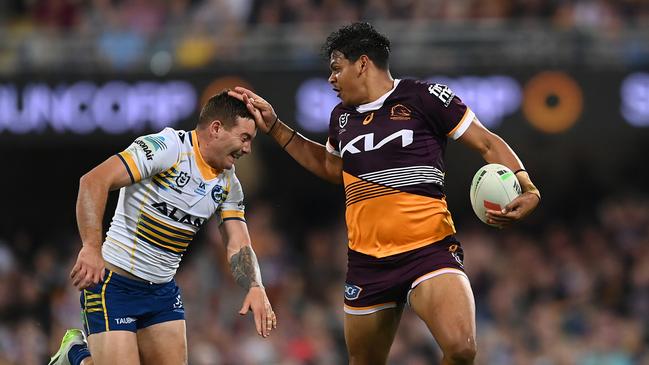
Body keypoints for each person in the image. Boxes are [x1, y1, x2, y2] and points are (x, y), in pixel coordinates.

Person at [228, 22, 540, 365]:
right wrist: (274, 126)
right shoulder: (341, 118)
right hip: (367, 263)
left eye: (336, 68)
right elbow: (333, 168)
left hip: (429, 250)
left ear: (362, 64)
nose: (331, 79)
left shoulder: (424, 97)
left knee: (462, 349)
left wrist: (527, 186)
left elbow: (485, 141)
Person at [48, 90, 277, 365]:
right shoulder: (168, 149)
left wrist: (255, 285)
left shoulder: (228, 185)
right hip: (114, 286)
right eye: (244, 138)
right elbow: (93, 181)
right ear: (216, 129)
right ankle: (75, 354)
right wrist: (91, 248)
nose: (247, 149)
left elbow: (238, 241)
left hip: (161, 292)